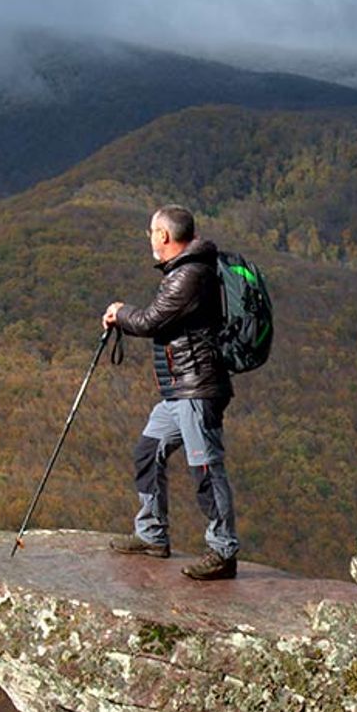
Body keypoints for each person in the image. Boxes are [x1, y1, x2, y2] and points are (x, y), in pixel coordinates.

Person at [101, 205, 239, 580]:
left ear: (163, 236)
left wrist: (119, 312)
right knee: (148, 451)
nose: (149, 238)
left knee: (206, 468)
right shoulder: (186, 271)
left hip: (197, 389)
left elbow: (151, 321)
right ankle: (152, 535)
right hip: (179, 390)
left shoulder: (190, 275)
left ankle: (223, 550)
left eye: (151, 232)